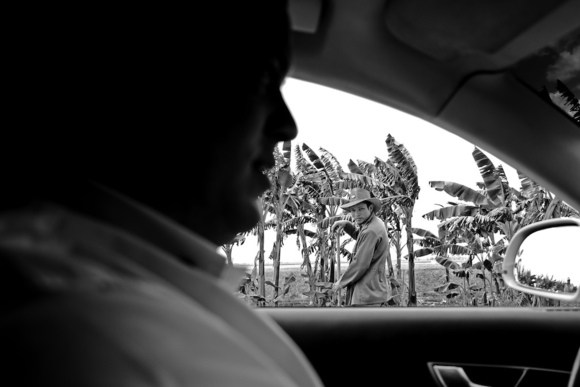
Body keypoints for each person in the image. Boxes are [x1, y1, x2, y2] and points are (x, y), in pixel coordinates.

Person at [1, 2, 323, 386]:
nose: (288, 126)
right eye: (264, 78)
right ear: (150, 80)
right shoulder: (115, 348)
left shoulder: (92, 295)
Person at [331, 188, 390, 306]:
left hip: (367, 292)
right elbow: (362, 239)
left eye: (361, 209)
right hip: (373, 290)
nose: (356, 214)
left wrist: (341, 283)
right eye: (353, 210)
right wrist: (347, 225)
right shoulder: (374, 223)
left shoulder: (370, 231)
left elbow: (360, 264)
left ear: (371, 208)